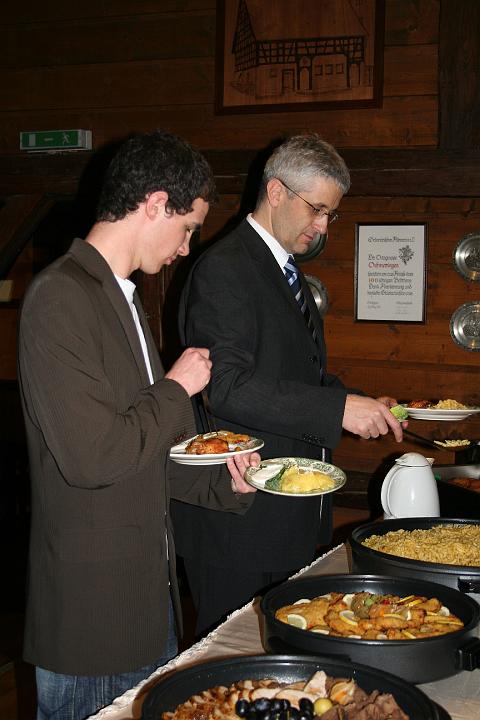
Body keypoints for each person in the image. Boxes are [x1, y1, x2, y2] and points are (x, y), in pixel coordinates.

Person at [17, 129, 259, 720]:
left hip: (151, 607)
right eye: (188, 228)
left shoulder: (123, 298)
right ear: (154, 204)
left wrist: (227, 482)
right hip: (92, 624)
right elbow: (94, 458)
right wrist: (176, 387)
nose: (185, 247)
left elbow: (146, 451)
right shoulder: (59, 296)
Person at [171, 133, 405, 636]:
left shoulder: (284, 270)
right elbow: (226, 386)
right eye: (317, 210)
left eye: (330, 214)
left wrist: (357, 402)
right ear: (275, 192)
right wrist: (338, 410)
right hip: (240, 524)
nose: (323, 227)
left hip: (284, 518)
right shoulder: (224, 268)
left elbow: (296, 374)